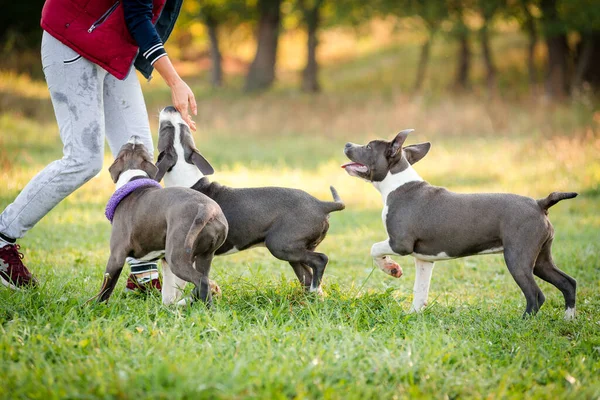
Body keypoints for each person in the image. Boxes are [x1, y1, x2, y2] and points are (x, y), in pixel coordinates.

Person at [0, 0, 195, 292]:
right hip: (73, 39)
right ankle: (3, 237)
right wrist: (175, 80)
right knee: (83, 158)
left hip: (112, 45)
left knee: (140, 156)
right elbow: (137, 14)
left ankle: (142, 268)